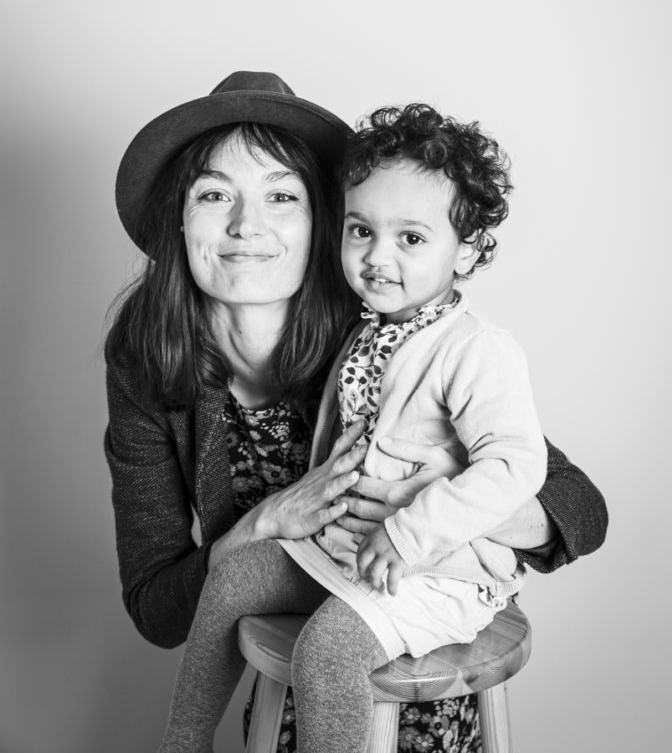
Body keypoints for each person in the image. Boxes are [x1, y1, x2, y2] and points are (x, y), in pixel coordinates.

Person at [105, 72, 608, 753]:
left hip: (405, 601)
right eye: (214, 194)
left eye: (280, 196)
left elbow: (577, 504)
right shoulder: (148, 359)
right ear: (179, 217)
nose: (245, 225)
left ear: (316, 221)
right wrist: (264, 522)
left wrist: (424, 506)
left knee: (333, 652)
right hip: (307, 617)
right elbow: (158, 610)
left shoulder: (387, 332)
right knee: (252, 595)